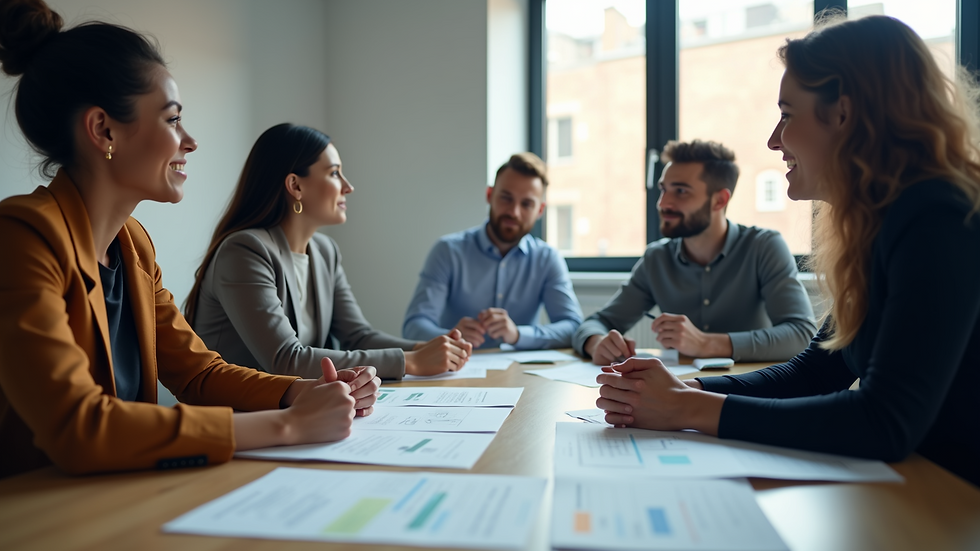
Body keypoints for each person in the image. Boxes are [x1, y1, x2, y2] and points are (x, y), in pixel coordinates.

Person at [0, 0, 379, 479]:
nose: (190, 141)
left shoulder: (133, 244)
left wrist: (296, 392)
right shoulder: (22, 237)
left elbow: (199, 373)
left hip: (123, 492)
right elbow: (80, 427)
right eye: (172, 119)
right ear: (103, 129)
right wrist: (285, 425)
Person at [596, 15, 980, 487]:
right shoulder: (880, 225)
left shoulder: (940, 217)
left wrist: (684, 407)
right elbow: (815, 372)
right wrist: (686, 388)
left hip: (954, 504)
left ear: (844, 113)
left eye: (787, 114)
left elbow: (886, 422)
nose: (774, 140)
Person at [186, 124, 472, 381]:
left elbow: (357, 336)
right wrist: (411, 361)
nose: (348, 186)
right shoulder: (245, 251)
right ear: (295, 186)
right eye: (335, 173)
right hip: (238, 422)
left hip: (299, 414)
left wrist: (426, 348)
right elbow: (286, 360)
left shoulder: (325, 251)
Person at [574, 140, 817, 365]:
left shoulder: (764, 246)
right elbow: (598, 323)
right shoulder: (656, 259)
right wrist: (596, 343)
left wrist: (705, 343)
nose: (663, 203)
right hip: (679, 392)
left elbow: (801, 334)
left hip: (747, 392)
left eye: (680, 191)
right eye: (663, 190)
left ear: (719, 200)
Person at [403, 153, 583, 350]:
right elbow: (414, 326)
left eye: (526, 204)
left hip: (524, 376)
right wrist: (450, 337)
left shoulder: (547, 259)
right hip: (456, 372)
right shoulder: (447, 252)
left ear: (540, 210)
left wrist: (517, 335)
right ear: (489, 195)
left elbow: (573, 327)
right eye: (506, 198)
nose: (514, 212)